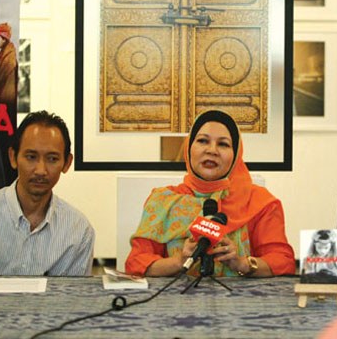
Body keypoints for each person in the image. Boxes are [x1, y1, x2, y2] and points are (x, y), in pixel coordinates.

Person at [125, 110, 295, 277]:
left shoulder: (260, 202)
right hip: (177, 295)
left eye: (223, 144)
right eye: (203, 141)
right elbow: (136, 263)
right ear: (189, 148)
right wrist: (179, 261)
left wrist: (242, 263)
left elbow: (283, 262)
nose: (212, 150)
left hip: (239, 295)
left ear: (236, 154)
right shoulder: (163, 200)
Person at [0, 111, 95, 276]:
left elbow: (75, 293)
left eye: (52, 159)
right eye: (31, 157)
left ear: (67, 163)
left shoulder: (79, 230)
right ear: (13, 157)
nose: (41, 170)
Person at [0, 22, 17, 105]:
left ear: (4, 40)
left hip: (6, 97)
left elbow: (1, 79)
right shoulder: (5, 52)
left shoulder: (8, 56)